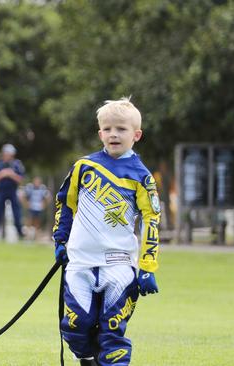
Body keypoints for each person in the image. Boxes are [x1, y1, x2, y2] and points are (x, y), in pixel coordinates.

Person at [52, 98, 160, 366]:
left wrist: (148, 266)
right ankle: (87, 359)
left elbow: (151, 220)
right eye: (108, 128)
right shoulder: (83, 167)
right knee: (75, 326)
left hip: (119, 264)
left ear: (136, 135)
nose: (114, 134)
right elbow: (65, 203)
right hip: (80, 262)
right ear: (100, 133)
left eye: (121, 129)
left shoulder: (142, 177)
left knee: (112, 328)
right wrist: (60, 240)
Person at [0, 144, 25, 240]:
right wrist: (2, 174)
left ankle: (20, 232)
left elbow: (20, 179)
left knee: (16, 212)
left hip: (13, 191)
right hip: (1, 191)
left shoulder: (17, 164)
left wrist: (11, 174)